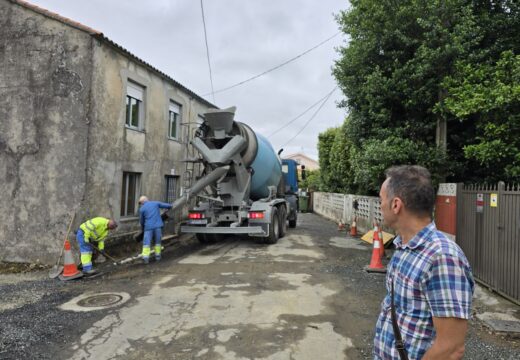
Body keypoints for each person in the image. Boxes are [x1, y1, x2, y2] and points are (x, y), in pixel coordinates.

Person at [374, 165, 474, 360]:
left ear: (396, 205)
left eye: (381, 200)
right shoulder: (404, 246)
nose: (380, 205)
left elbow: (451, 348)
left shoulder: (443, 258)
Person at [138, 196, 172, 264]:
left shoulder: (142, 209)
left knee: (146, 243)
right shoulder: (155, 203)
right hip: (157, 227)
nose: (141, 204)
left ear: (142, 202)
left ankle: (145, 258)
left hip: (148, 228)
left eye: (140, 203)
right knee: (157, 242)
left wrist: (143, 228)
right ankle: (158, 256)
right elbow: (168, 205)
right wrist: (170, 206)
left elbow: (142, 221)